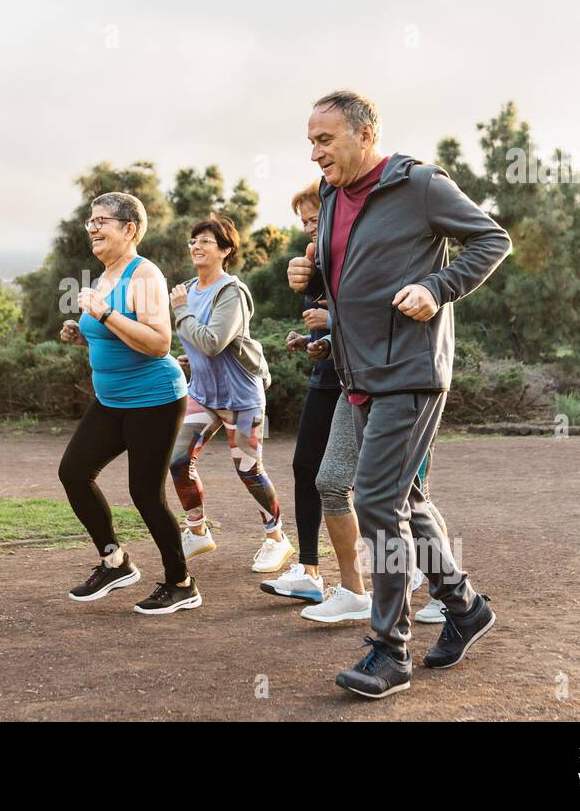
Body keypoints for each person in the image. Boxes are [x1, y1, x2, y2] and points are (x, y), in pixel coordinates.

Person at [289, 90, 511, 697]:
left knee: (379, 501)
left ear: (365, 135)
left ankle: (390, 650)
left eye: (324, 140)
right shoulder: (333, 196)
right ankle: (464, 608)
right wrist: (315, 294)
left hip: (410, 370)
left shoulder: (419, 184)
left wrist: (438, 288)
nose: (315, 153)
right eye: (310, 141)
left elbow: (492, 240)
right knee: (406, 501)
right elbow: (352, 284)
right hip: (358, 372)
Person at [262, 185, 445, 624]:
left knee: (402, 493)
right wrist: (323, 341)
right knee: (334, 481)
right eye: (304, 221)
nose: (311, 226)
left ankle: (446, 592)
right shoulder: (323, 256)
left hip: (402, 377)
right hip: (353, 381)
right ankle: (355, 591)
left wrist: (333, 322)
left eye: (315, 217)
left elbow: (384, 307)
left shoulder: (388, 228)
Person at [58, 191, 202, 615]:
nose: (93, 228)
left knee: (144, 492)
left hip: (154, 400)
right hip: (112, 400)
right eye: (90, 220)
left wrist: (102, 316)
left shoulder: (144, 276)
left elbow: (159, 343)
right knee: (74, 472)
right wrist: (82, 331)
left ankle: (181, 583)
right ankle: (115, 561)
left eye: (102, 220)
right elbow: (120, 332)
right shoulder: (105, 275)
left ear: (130, 229)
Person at [166, 215, 290, 573]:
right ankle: (197, 530)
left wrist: (181, 313)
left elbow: (212, 340)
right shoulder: (188, 289)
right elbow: (200, 344)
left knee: (249, 470)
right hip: (203, 393)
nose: (197, 246)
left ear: (225, 250)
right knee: (178, 461)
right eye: (194, 240)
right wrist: (190, 358)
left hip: (241, 398)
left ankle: (276, 539)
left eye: (206, 241)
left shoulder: (230, 292)